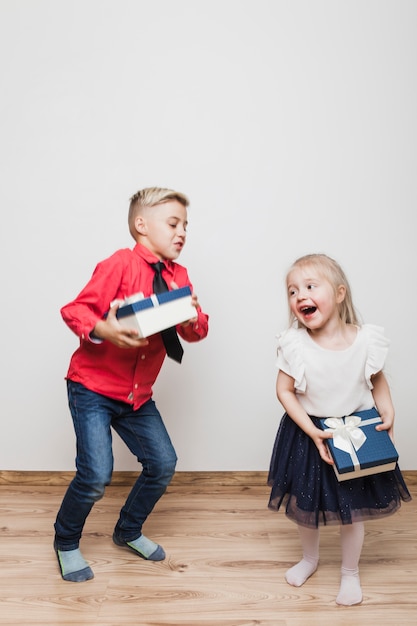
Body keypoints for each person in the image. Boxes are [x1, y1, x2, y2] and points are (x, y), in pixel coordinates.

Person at [54, 187, 209, 582]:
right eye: (173, 223)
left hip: (137, 395)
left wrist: (191, 321)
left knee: (163, 463)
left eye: (186, 226)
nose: (182, 233)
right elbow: (75, 311)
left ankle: (127, 530)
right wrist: (105, 329)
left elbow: (197, 329)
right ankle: (66, 541)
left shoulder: (181, 276)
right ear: (142, 226)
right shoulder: (119, 264)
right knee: (95, 474)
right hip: (92, 388)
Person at [268, 253, 411, 606]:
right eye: (292, 290)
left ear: (340, 293)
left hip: (355, 434)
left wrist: (388, 410)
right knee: (306, 505)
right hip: (310, 434)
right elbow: (284, 390)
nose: (300, 295)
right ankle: (310, 559)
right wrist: (311, 431)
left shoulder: (366, 340)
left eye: (310, 286)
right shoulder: (295, 344)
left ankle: (350, 572)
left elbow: (376, 381)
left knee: (354, 510)